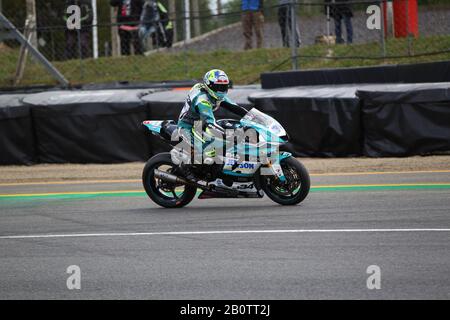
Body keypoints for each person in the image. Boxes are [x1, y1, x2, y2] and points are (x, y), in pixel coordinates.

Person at [177, 69, 248, 173]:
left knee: (222, 145)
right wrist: (230, 135)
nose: (221, 90)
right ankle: (185, 171)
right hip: (187, 126)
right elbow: (209, 122)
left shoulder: (215, 94)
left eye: (223, 87)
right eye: (218, 87)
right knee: (205, 151)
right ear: (209, 85)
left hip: (200, 125)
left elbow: (235, 107)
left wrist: (253, 117)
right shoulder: (202, 100)